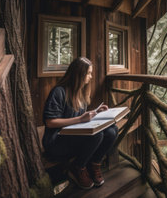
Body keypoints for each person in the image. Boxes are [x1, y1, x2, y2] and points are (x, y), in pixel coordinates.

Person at [42, 57, 118, 190]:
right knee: (97, 135)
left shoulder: (80, 94)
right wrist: (80, 120)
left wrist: (96, 112)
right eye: (88, 73)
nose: (91, 76)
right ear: (78, 74)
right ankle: (77, 167)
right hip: (56, 143)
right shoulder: (59, 92)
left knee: (112, 130)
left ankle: (94, 164)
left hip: (73, 136)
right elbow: (50, 122)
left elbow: (78, 117)